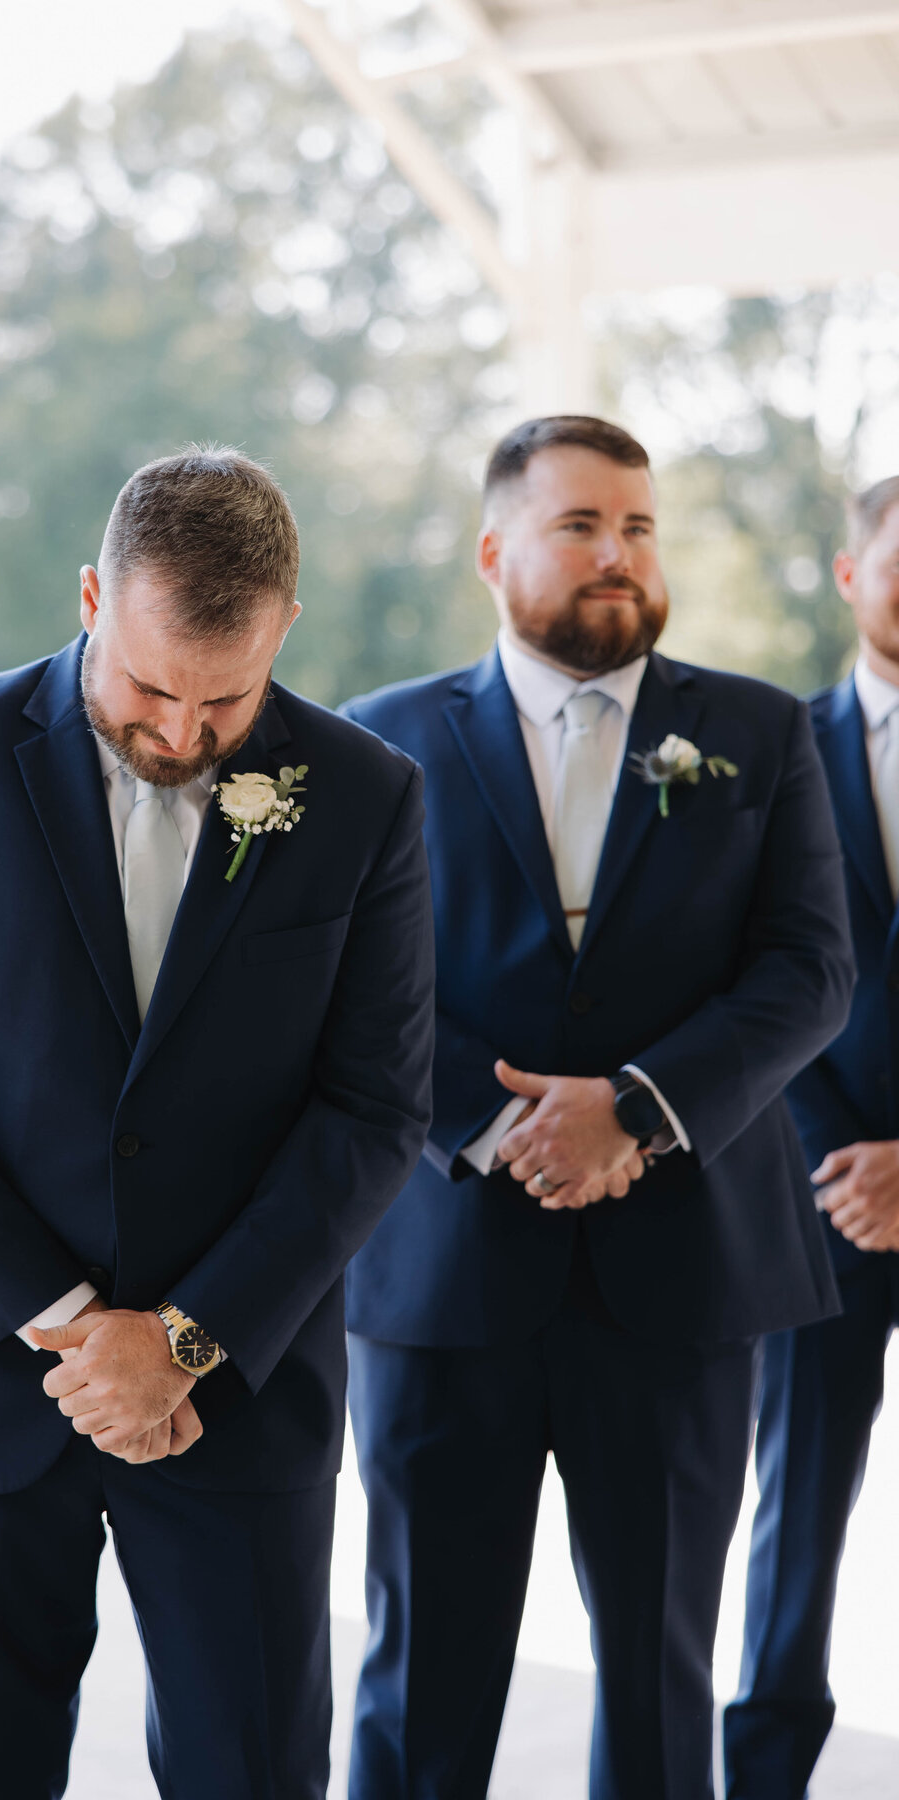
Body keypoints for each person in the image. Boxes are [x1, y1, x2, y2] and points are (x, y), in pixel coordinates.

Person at [0, 447, 436, 1800]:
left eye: (228, 697)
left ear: (285, 629)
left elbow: (374, 1106)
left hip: (238, 1395)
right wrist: (79, 1326)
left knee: (256, 1771)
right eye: (152, 687)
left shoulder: (369, 795)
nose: (182, 732)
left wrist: (185, 1340)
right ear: (93, 594)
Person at [340, 415, 854, 1800]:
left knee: (659, 1676)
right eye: (581, 526)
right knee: (418, 1681)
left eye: (637, 525)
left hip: (686, 1281)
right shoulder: (377, 747)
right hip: (443, 1280)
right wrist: (503, 1123)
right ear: (495, 550)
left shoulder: (755, 730)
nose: (617, 553)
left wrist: (635, 1109)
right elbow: (342, 990)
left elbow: (810, 969)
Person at [723, 475, 899, 1796]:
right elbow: (743, 984)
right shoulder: (773, 752)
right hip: (817, 1200)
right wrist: (838, 1160)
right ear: (850, 576)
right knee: (796, 1517)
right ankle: (766, 1771)